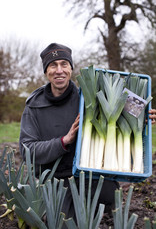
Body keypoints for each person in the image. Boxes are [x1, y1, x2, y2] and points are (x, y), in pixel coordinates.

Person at [19, 43, 156, 227]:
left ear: (70, 68)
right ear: (46, 71)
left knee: (108, 214)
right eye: (53, 65)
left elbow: (127, 107)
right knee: (66, 222)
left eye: (64, 64)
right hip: (56, 180)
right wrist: (64, 141)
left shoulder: (89, 97)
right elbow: (28, 150)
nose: (59, 70)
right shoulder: (33, 106)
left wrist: (144, 117)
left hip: (92, 175)